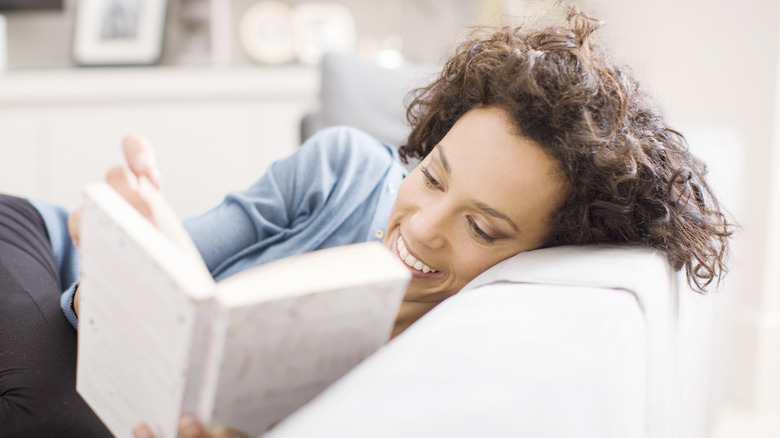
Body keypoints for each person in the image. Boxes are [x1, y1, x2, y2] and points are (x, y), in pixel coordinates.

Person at [0, 8, 731, 438]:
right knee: (49, 410)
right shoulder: (344, 170)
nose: (420, 227)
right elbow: (93, 307)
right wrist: (129, 249)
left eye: (482, 228)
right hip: (36, 245)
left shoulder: (458, 345)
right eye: (433, 175)